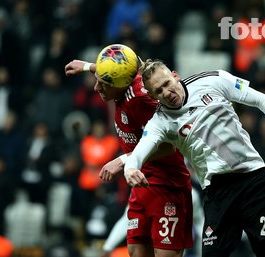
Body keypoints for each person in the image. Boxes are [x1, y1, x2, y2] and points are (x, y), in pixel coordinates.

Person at [122, 59, 265, 257]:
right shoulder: (160, 122)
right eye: (158, 91)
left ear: (175, 76)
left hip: (253, 180)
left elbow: (260, 99)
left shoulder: (212, 80)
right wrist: (131, 169)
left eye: (167, 84)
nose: (167, 93)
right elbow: (139, 153)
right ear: (151, 96)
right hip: (217, 191)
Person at [64, 46, 194, 257]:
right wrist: (88, 67)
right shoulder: (122, 83)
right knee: (135, 252)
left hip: (166, 185)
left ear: (120, 84)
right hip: (141, 184)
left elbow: (170, 145)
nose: (97, 88)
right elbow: (125, 69)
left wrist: (123, 159)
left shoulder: (141, 101)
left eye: (103, 83)